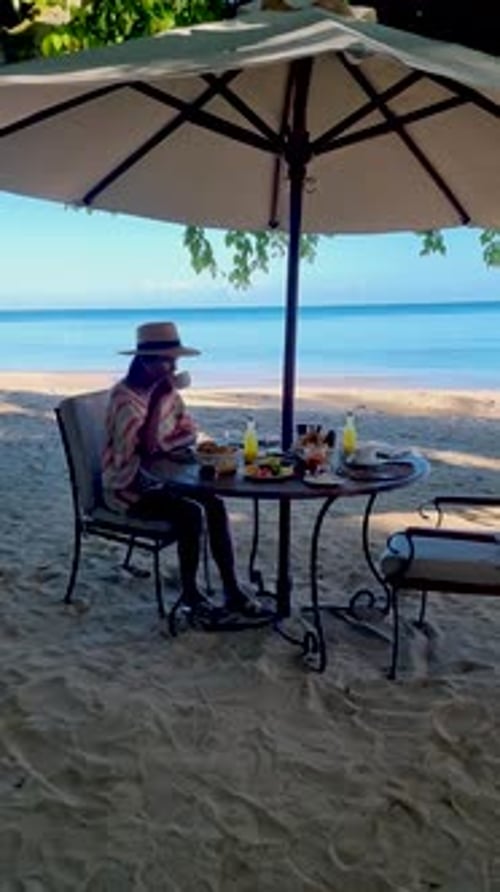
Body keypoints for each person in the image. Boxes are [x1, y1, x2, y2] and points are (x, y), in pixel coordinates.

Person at [102, 321, 267, 621]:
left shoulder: (164, 393)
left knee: (214, 504)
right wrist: (156, 405)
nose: (174, 366)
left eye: (175, 360)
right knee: (190, 513)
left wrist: (172, 433)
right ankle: (190, 593)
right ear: (147, 362)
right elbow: (147, 450)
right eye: (169, 359)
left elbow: (187, 429)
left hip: (158, 479)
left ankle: (231, 588)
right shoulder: (125, 398)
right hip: (128, 488)